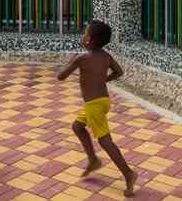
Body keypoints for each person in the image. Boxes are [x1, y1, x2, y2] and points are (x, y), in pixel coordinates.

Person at [58, 20, 137, 197]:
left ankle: (128, 173)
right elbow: (119, 72)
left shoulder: (82, 58)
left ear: (90, 41)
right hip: (102, 101)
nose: (82, 36)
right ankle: (93, 160)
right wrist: (103, 80)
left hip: (94, 105)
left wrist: (71, 62)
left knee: (105, 141)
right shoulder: (105, 56)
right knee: (77, 127)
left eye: (85, 34)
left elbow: (60, 76)